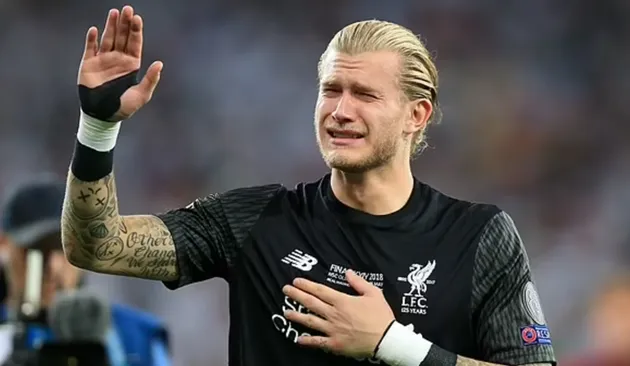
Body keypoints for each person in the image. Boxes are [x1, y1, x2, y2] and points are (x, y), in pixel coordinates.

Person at [62, 5, 557, 366]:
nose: (341, 111)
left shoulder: (479, 236)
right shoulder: (254, 220)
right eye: (330, 91)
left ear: (416, 115)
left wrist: (394, 344)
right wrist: (99, 128)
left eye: (364, 94)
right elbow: (96, 247)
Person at [0, 177, 172, 366]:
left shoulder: (135, 338)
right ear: (4, 246)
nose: (53, 266)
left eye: (65, 248)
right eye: (36, 251)